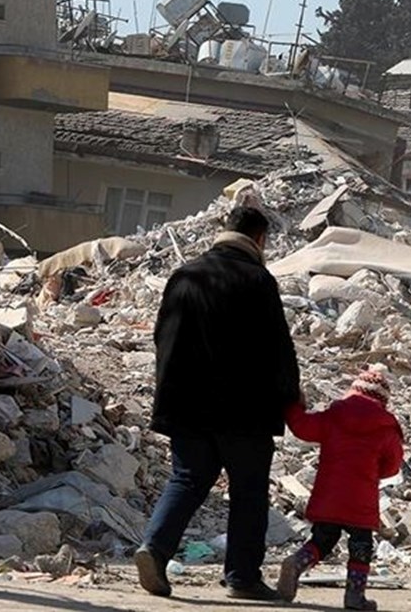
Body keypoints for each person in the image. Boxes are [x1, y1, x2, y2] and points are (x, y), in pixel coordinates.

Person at [135, 206, 300, 601]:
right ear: (260, 240)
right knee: (248, 489)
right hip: (243, 410)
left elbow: (163, 338)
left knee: (188, 478)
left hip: (186, 404)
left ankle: (154, 550)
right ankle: (242, 577)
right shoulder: (257, 280)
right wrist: (290, 394)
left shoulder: (185, 275)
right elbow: (277, 345)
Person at [276, 365, 404, 610]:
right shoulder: (387, 428)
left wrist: (294, 406)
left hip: (329, 496)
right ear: (382, 400)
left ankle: (297, 563)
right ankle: (354, 597)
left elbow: (302, 427)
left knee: (323, 540)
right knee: (361, 547)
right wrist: (374, 472)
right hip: (361, 500)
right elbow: (393, 466)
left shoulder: (334, 415)